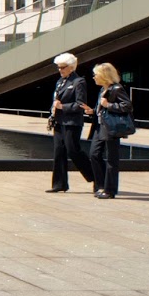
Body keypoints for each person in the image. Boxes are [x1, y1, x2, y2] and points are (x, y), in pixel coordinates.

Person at [47, 52, 95, 193]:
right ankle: (59, 184)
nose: (60, 70)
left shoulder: (78, 82)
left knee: (73, 150)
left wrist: (63, 107)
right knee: (58, 152)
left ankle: (95, 176)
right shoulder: (60, 82)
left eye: (63, 67)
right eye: (59, 67)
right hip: (59, 122)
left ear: (71, 67)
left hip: (72, 122)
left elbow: (80, 104)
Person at [90, 62, 129, 200]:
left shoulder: (117, 89)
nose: (94, 77)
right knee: (94, 154)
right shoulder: (102, 89)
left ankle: (110, 190)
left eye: (96, 75)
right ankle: (100, 185)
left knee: (112, 158)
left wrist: (109, 105)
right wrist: (93, 111)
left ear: (103, 76)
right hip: (100, 127)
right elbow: (100, 109)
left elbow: (127, 106)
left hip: (111, 127)